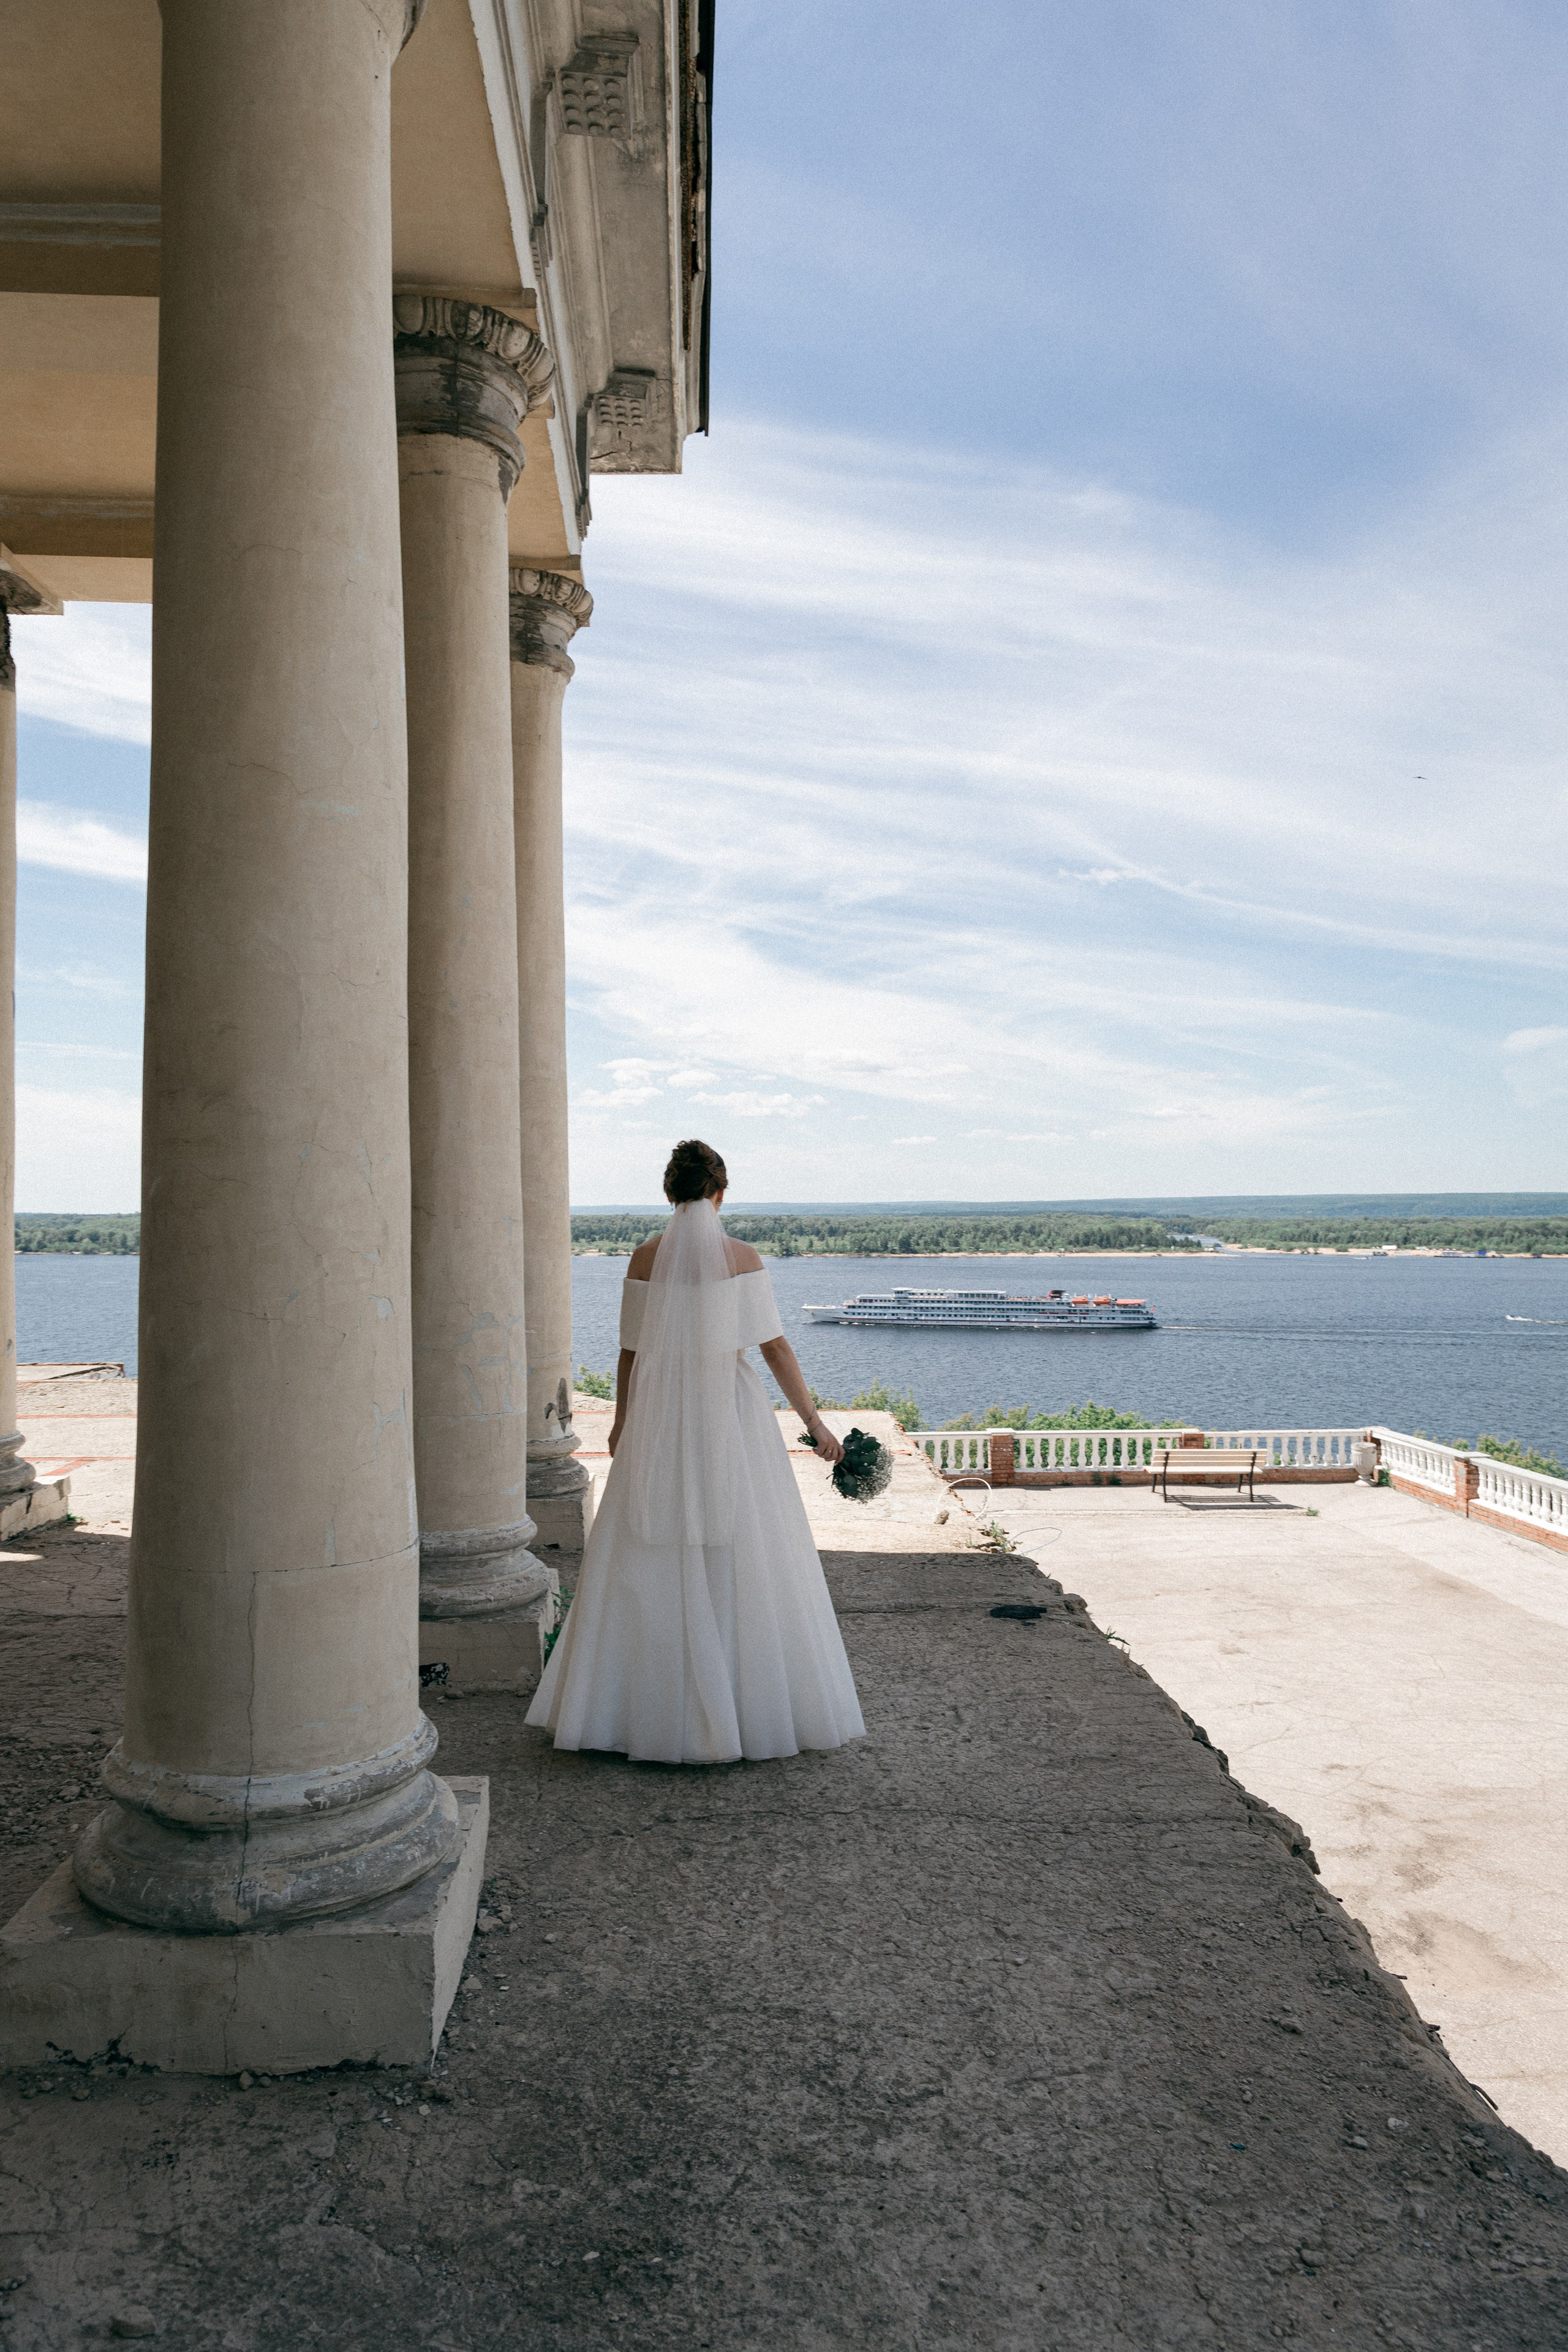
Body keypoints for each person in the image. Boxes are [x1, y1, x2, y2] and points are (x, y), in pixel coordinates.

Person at [526, 1139, 866, 1764]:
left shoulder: (644, 1256)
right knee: (743, 1540)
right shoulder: (741, 1258)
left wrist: (623, 1425)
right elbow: (775, 1349)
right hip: (728, 1408)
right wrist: (815, 1424)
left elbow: (628, 1352)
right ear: (720, 1191)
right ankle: (745, 1706)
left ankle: (630, 1708)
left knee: (652, 1539)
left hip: (659, 1405)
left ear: (668, 1193)